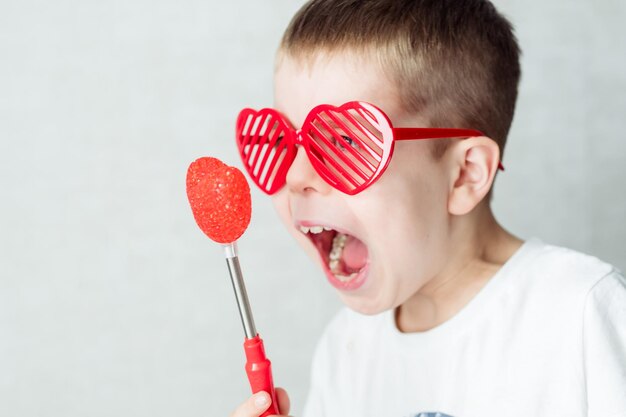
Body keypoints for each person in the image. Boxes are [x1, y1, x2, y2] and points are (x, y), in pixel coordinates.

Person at [229, 0, 626, 416]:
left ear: (464, 175)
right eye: (280, 141)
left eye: (344, 142)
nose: (295, 176)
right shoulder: (348, 347)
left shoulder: (580, 313)